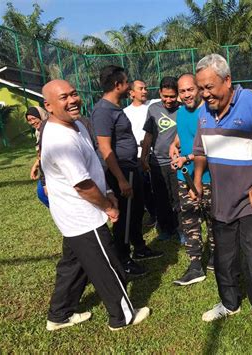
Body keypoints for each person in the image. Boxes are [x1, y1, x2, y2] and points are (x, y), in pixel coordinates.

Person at [192, 54, 252, 355]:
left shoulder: (251, 104)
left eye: (210, 87)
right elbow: (199, 148)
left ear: (228, 80)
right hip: (221, 204)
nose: (205, 94)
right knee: (224, 260)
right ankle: (229, 303)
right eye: (201, 88)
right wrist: (197, 177)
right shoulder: (204, 113)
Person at [40, 79, 150, 331]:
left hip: (74, 216)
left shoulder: (75, 125)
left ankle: (58, 315)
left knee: (73, 266)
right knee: (106, 264)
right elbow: (82, 185)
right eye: (63, 98)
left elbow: (91, 166)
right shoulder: (60, 140)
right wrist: (109, 207)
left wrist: (109, 190)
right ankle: (122, 316)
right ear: (49, 105)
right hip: (82, 215)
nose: (72, 100)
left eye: (74, 94)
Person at [91, 65, 161, 278]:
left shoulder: (115, 108)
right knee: (125, 217)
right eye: (126, 81)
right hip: (120, 171)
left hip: (132, 167)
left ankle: (139, 247)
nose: (129, 85)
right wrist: (121, 180)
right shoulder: (103, 111)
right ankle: (123, 259)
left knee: (137, 211)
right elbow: (105, 148)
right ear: (117, 85)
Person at [170, 74, 215, 286]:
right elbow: (183, 135)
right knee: (190, 222)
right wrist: (174, 144)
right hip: (184, 177)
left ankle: (216, 258)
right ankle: (195, 265)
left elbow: (209, 146)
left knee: (213, 220)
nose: (187, 95)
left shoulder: (208, 112)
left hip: (208, 178)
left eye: (190, 90)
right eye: (182, 91)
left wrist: (186, 158)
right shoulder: (180, 112)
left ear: (198, 89)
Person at [141, 77, 183, 242]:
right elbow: (149, 135)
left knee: (178, 198)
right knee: (161, 199)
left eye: (172, 96)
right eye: (165, 96)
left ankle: (181, 230)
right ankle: (166, 229)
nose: (168, 100)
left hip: (176, 162)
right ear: (160, 93)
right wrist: (144, 157)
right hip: (157, 163)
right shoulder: (153, 109)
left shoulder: (184, 110)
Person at [123, 80, 159, 227]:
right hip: (137, 155)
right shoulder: (125, 112)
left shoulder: (154, 105)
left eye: (146, 88)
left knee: (158, 186)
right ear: (131, 93)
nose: (145, 91)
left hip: (155, 153)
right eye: (140, 89)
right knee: (144, 187)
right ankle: (153, 214)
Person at [25, 106, 50, 207]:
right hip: (46, 168)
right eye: (29, 120)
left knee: (43, 193)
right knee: (42, 194)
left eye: (34, 118)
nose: (32, 122)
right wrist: (35, 165)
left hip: (54, 168)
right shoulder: (38, 132)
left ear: (41, 115)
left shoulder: (50, 128)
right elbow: (41, 153)